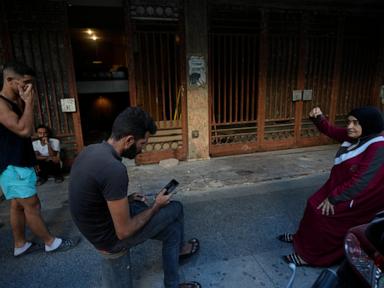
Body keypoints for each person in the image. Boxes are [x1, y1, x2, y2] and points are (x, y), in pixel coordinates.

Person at [68, 107, 201, 288]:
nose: (142, 149)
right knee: (175, 207)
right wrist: (156, 206)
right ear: (129, 140)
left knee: (172, 230)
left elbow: (95, 195)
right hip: (110, 238)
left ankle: (174, 273)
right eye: (142, 144)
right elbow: (124, 231)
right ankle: (177, 255)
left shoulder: (91, 150)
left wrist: (127, 199)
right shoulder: (114, 169)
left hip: (95, 227)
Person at [278, 106, 384, 267]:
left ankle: (311, 256)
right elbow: (332, 131)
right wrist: (319, 118)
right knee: (312, 204)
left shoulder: (378, 147)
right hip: (339, 185)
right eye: (349, 122)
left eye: (356, 123)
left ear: (369, 124)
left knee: (324, 217)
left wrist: (334, 198)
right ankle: (301, 240)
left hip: (359, 196)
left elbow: (362, 181)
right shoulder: (359, 135)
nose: (350, 127)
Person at [0, 61, 78, 257]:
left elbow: (26, 131)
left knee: (17, 205)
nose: (29, 87)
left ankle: (20, 244)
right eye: (25, 82)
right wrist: (29, 103)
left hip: (17, 163)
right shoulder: (1, 104)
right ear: (10, 80)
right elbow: (24, 130)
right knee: (32, 205)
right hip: (13, 165)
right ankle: (50, 242)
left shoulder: (13, 102)